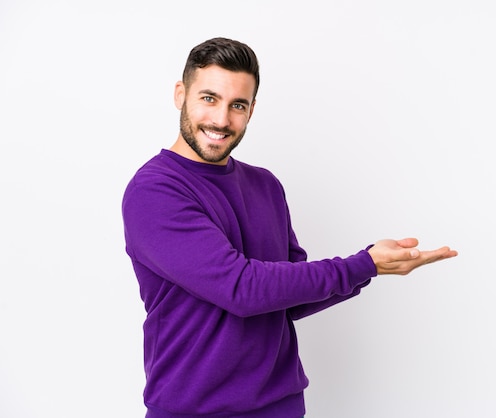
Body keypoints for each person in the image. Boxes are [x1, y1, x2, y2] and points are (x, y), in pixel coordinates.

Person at [122, 37, 457, 418]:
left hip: (279, 405)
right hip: (194, 411)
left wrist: (372, 264)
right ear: (181, 94)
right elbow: (241, 289)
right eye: (209, 98)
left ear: (251, 110)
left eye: (237, 105)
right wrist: (361, 265)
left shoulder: (264, 185)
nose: (221, 120)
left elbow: (287, 296)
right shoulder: (155, 191)